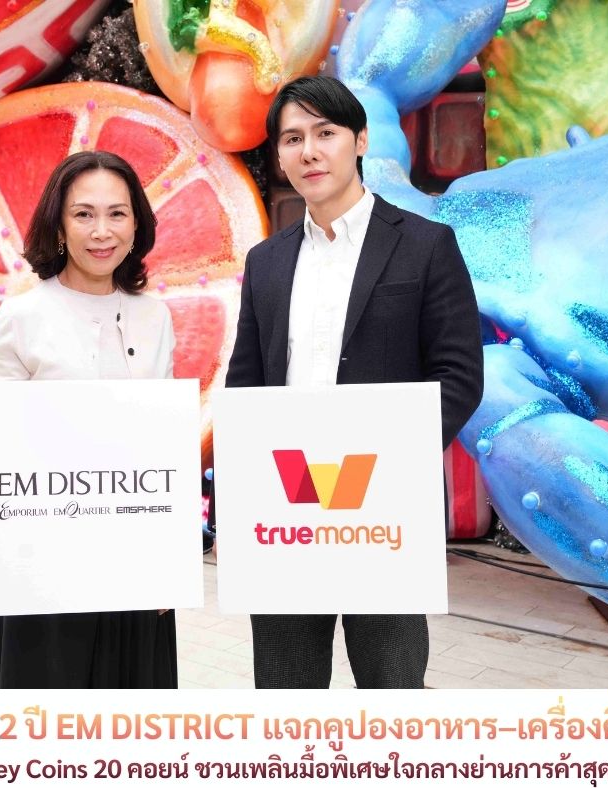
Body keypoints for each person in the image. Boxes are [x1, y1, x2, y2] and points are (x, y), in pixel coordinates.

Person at [218, 76, 483, 689]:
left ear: (360, 140)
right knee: (287, 694)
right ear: (279, 155)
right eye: (292, 139)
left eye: (325, 133)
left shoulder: (426, 246)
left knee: (390, 693)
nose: (309, 151)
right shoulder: (267, 261)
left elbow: (460, 375)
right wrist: (238, 496)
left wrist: (389, 455)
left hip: (383, 514)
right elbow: (246, 386)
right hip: (285, 509)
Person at [0, 151, 177, 689]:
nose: (101, 231)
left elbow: (163, 447)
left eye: (117, 213)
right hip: (42, 566)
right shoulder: (21, 317)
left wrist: (168, 562)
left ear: (137, 224)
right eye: (83, 214)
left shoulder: (155, 317)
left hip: (133, 562)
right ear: (59, 225)